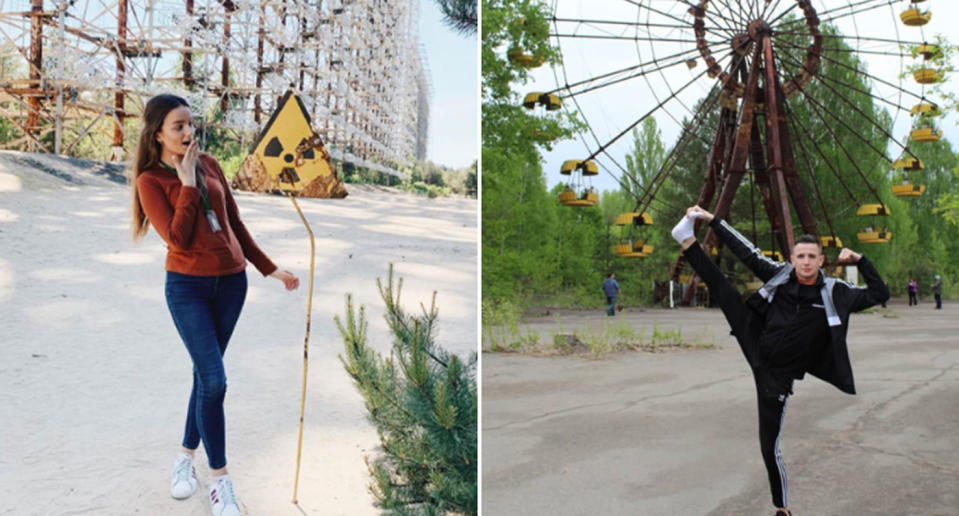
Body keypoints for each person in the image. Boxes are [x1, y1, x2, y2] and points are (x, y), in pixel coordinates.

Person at [130, 94, 300, 516]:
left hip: (232, 286)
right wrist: (187, 185)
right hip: (187, 289)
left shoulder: (210, 164)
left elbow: (234, 223)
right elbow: (178, 239)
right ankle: (221, 481)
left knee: (206, 379)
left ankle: (184, 458)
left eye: (191, 124)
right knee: (216, 380)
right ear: (158, 134)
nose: (189, 133)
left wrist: (269, 268)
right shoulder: (150, 181)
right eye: (178, 127)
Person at [670, 206, 888, 516]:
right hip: (756, 340)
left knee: (769, 447)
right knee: (725, 291)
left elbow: (880, 293)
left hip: (777, 378)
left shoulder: (837, 293)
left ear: (821, 261)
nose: (806, 262)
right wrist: (713, 220)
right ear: (793, 259)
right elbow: (748, 253)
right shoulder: (781, 276)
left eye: (812, 257)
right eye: (801, 256)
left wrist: (861, 261)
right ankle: (686, 240)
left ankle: (781, 508)